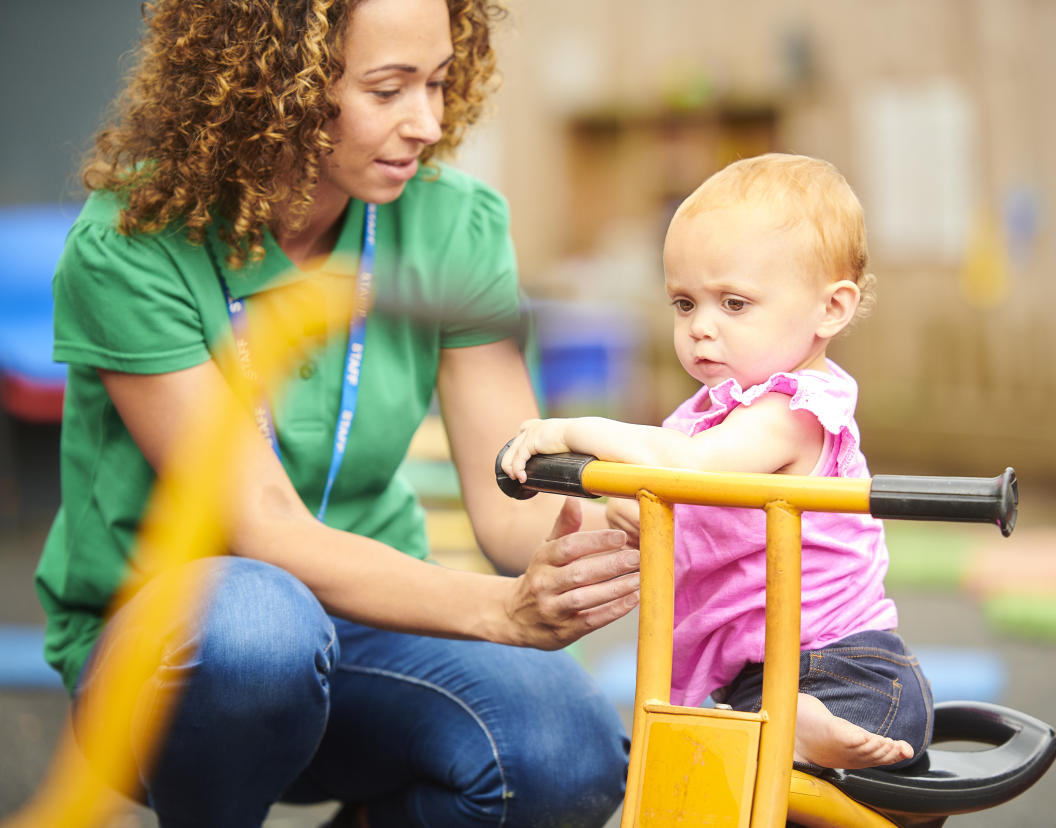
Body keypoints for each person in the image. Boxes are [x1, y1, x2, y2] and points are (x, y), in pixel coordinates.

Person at [34, 1, 637, 826]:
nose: (427, 121)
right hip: (178, 648)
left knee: (569, 750)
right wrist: (500, 610)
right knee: (254, 629)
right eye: (387, 90)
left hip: (375, 623)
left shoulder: (455, 222)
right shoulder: (132, 244)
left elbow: (509, 501)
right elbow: (264, 528)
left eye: (438, 81)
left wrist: (600, 546)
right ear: (268, 87)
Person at [501, 153, 934, 772]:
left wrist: (575, 428)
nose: (701, 327)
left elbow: (691, 469)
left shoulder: (797, 410)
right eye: (684, 303)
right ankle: (779, 728)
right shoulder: (709, 413)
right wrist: (612, 511)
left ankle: (792, 730)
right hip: (759, 680)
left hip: (848, 676)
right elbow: (670, 489)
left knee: (724, 768)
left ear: (830, 309)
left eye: (733, 304)